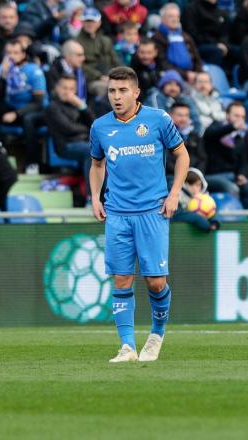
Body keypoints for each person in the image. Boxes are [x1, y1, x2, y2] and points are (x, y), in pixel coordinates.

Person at [88, 66, 190, 362]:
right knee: (121, 279)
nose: (116, 97)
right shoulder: (100, 127)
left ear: (136, 93)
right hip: (118, 213)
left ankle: (156, 335)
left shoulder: (158, 119)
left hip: (152, 211)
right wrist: (95, 197)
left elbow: (182, 155)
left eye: (122, 91)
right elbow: (97, 165)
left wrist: (174, 193)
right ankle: (127, 346)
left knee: (155, 282)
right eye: (111, 91)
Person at [0, 38, 47, 175]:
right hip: (12, 107)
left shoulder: (34, 70)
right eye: (8, 53)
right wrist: (3, 76)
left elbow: (38, 103)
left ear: (23, 54)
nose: (11, 56)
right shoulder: (2, 69)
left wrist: (16, 114)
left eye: (15, 53)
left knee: (29, 119)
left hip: (35, 110)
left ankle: (32, 162)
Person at [45, 75, 95, 196]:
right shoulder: (52, 107)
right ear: (57, 88)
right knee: (91, 151)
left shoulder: (76, 105)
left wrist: (82, 106)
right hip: (66, 146)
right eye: (64, 88)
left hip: (84, 142)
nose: (67, 92)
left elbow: (95, 124)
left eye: (71, 89)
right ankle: (91, 197)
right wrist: (87, 130)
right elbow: (68, 129)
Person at [76, 7, 123, 98]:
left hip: (110, 76)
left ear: (99, 23)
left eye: (92, 21)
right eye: (87, 21)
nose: (90, 24)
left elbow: (116, 60)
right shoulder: (77, 42)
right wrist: (99, 77)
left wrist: (125, 73)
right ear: (82, 22)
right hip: (91, 80)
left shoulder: (106, 40)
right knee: (106, 88)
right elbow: (80, 66)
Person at [203, 101, 248, 195]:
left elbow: (243, 160)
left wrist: (241, 174)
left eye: (242, 117)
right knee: (232, 189)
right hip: (213, 175)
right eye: (236, 116)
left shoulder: (239, 137)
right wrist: (232, 127)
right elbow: (211, 134)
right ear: (227, 115)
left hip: (232, 176)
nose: (240, 120)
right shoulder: (216, 126)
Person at [151, 2, 202, 83]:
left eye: (177, 16)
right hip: (170, 77)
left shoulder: (185, 36)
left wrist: (197, 73)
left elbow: (197, 59)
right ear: (162, 19)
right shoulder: (157, 38)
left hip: (192, 76)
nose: (175, 19)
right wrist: (186, 74)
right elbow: (163, 64)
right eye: (171, 16)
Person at [167, 101, 206, 174]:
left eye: (186, 115)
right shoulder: (165, 135)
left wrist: (196, 175)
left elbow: (202, 159)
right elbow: (166, 161)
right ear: (170, 115)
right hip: (173, 176)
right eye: (180, 115)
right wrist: (184, 174)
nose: (184, 119)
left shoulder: (194, 136)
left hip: (194, 176)